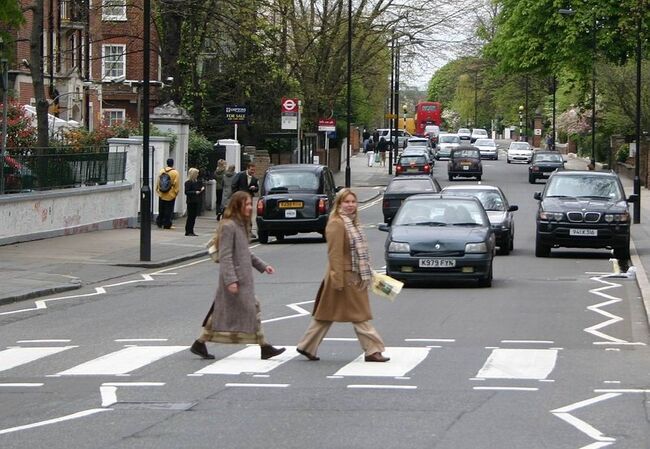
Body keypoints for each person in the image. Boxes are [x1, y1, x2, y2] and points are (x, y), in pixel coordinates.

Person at [296, 188, 389, 363]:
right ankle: (372, 350)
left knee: (325, 315)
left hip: (352, 274)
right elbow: (334, 254)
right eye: (346, 202)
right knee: (360, 315)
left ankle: (306, 345)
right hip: (344, 277)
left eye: (353, 202)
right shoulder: (337, 223)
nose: (350, 205)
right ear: (339, 203)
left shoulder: (352, 223)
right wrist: (338, 279)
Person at [189, 191, 285, 361]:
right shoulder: (228, 226)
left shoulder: (241, 225)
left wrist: (263, 266)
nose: (250, 207)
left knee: (222, 311)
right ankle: (265, 346)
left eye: (250, 204)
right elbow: (225, 256)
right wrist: (231, 280)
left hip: (243, 278)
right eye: (247, 204)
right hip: (236, 279)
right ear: (237, 205)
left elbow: (245, 253)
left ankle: (200, 342)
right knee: (252, 308)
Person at [156, 158, 180, 229]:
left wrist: (158, 190)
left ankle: (159, 222)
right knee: (169, 210)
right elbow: (176, 184)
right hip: (170, 194)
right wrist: (176, 192)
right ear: (172, 163)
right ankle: (167, 224)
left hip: (162, 193)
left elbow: (158, 182)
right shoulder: (175, 173)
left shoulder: (161, 171)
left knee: (161, 209)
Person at [184, 167, 204, 236]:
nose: (198, 175)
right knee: (190, 216)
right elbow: (186, 192)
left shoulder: (196, 182)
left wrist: (200, 189)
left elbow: (197, 189)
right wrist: (195, 192)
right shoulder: (188, 182)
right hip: (190, 201)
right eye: (197, 173)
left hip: (195, 201)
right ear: (193, 174)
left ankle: (191, 231)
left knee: (193, 217)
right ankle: (188, 231)